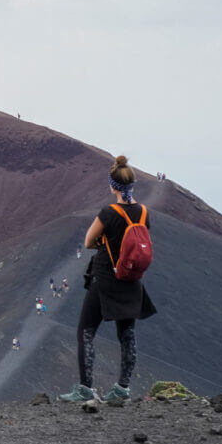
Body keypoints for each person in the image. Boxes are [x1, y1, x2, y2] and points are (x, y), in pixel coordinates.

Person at [61, 155, 158, 404]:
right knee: (127, 334)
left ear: (113, 186)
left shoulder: (109, 212)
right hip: (132, 278)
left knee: (86, 331)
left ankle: (85, 388)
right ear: (132, 185)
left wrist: (105, 243)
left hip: (105, 277)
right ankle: (122, 388)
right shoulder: (143, 212)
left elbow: (88, 241)